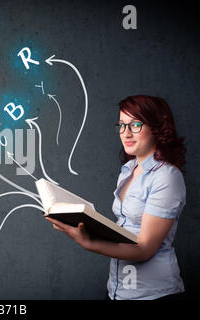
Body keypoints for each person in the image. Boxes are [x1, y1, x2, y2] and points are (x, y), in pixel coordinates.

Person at [45, 95, 187, 300]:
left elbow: (144, 249)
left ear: (156, 127)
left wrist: (89, 242)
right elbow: (126, 229)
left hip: (154, 294)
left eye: (135, 125)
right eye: (121, 125)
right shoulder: (128, 171)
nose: (126, 133)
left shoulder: (167, 176)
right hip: (117, 289)